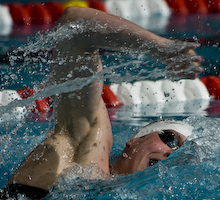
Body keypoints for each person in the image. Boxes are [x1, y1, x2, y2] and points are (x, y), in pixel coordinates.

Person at [1, 6, 202, 199]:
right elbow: (74, 26)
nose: (171, 154)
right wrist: (161, 49)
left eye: (181, 156)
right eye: (171, 140)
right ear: (134, 141)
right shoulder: (85, 147)